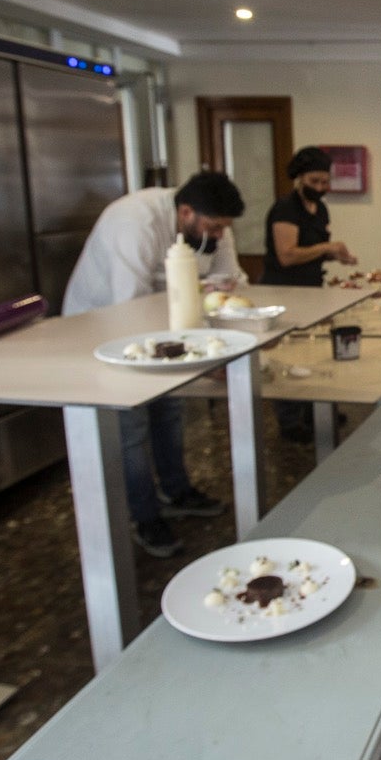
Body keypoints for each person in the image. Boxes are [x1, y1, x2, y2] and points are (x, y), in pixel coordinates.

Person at [62, 170, 249, 558]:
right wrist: (199, 336)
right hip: (103, 329)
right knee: (131, 427)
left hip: (165, 331)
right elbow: (130, 303)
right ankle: (144, 516)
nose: (218, 236)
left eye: (223, 229)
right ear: (185, 212)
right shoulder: (135, 222)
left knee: (169, 410)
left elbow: (229, 278)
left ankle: (177, 491)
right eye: (213, 228)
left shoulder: (212, 225)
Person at [260, 145, 358, 442]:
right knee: (289, 354)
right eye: (313, 181)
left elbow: (312, 252)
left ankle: (312, 410)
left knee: (311, 353)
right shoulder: (285, 209)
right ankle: (289, 420)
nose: (320, 187)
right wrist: (326, 247)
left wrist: (336, 256)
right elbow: (287, 255)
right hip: (284, 289)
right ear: (299, 178)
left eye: (324, 182)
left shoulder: (321, 208)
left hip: (312, 288)